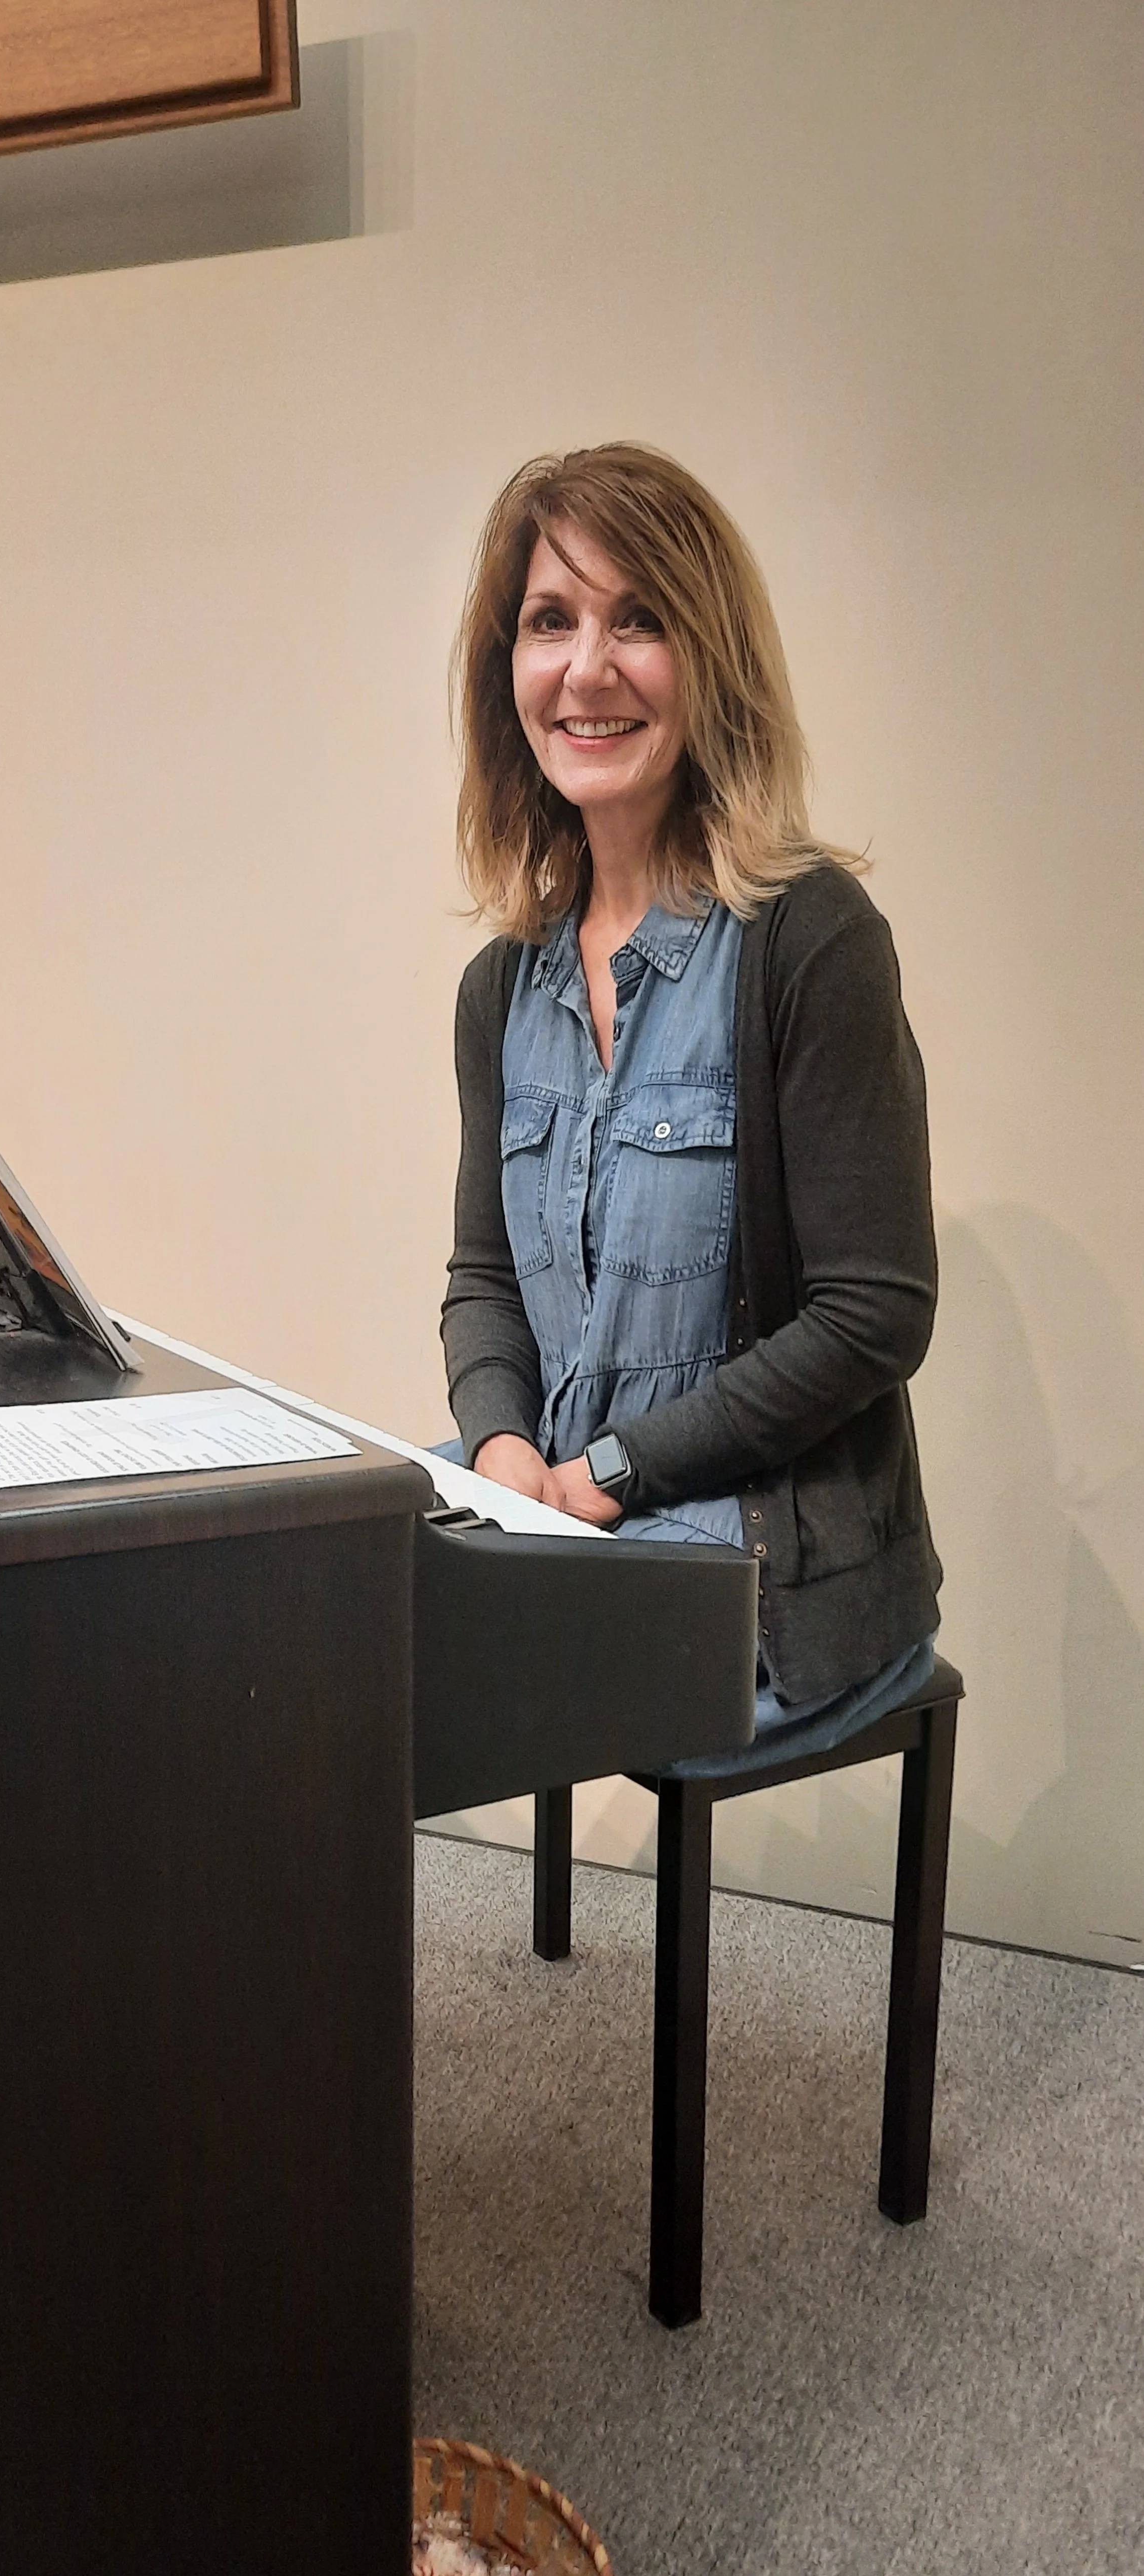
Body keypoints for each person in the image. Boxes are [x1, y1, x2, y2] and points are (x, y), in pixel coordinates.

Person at [440, 442, 941, 1765]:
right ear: (509, 668)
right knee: (285, 1591)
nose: (586, 668)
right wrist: (498, 1446)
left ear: (709, 659)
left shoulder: (809, 938)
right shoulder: (498, 986)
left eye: (639, 619)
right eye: (551, 620)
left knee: (380, 1682)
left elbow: (872, 1313)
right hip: (552, 1500)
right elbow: (482, 1278)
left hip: (760, 1540)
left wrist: (607, 1471)